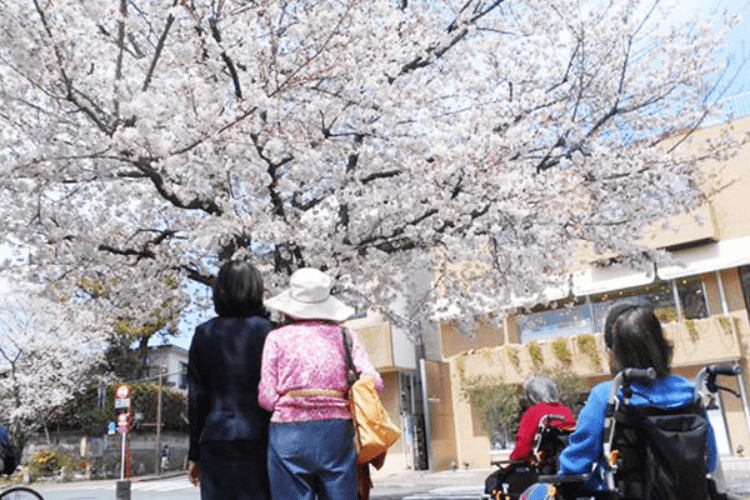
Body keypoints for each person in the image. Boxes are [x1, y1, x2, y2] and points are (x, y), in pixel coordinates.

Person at [557, 302, 718, 492]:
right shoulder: (687, 390)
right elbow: (710, 459)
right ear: (662, 345)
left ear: (615, 351)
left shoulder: (607, 395)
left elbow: (575, 466)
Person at [259, 267, 384, 500]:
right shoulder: (346, 336)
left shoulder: (276, 337)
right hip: (336, 430)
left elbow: (266, 397)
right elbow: (374, 382)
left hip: (288, 431)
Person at [187, 260, 274, 500]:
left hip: (216, 438)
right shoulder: (272, 332)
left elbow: (197, 398)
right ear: (257, 290)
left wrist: (194, 453)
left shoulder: (203, 333)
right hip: (264, 439)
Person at [509, 374, 575, 463]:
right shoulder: (565, 410)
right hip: (569, 461)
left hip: (546, 465)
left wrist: (513, 459)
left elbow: (523, 447)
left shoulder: (534, 411)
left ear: (531, 395)